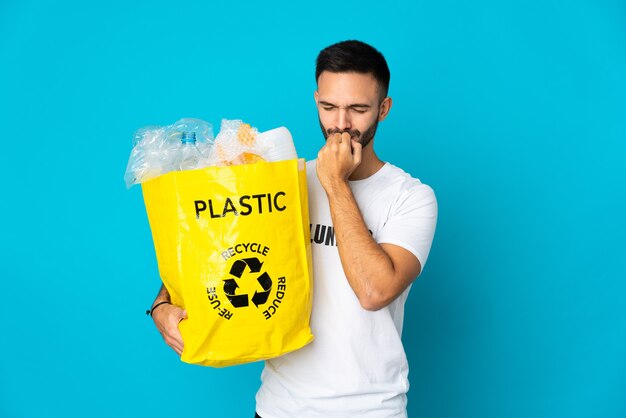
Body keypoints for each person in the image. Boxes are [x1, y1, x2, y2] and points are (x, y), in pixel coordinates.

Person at [149, 40, 438, 418]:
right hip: (279, 407)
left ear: (383, 109)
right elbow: (214, 253)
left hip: (370, 410)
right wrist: (161, 306)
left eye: (358, 109)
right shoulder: (285, 183)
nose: (341, 124)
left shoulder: (411, 197)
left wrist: (334, 183)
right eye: (329, 107)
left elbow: (374, 291)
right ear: (316, 99)